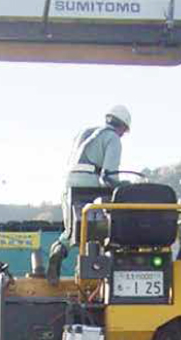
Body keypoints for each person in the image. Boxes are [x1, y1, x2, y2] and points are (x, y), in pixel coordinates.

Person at [47, 104, 132, 283]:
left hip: (68, 183)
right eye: (124, 131)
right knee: (100, 226)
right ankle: (93, 271)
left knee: (72, 230)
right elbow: (108, 176)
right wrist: (122, 187)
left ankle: (57, 252)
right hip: (90, 184)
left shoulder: (85, 133)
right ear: (122, 126)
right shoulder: (113, 139)